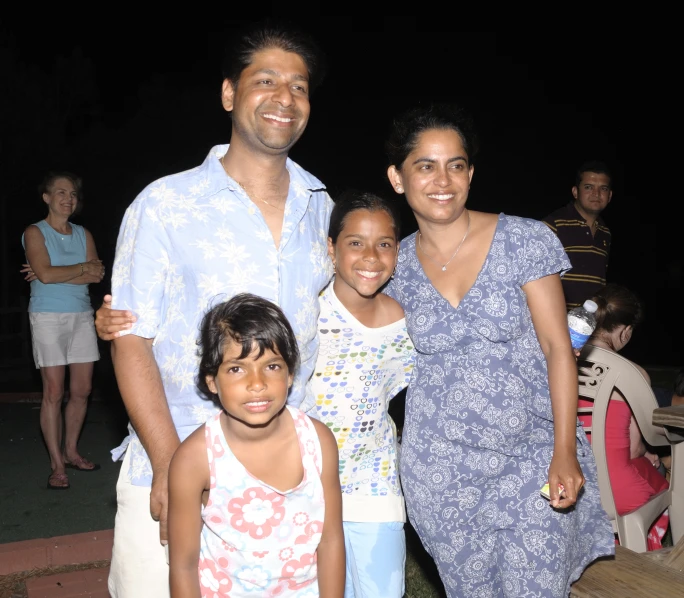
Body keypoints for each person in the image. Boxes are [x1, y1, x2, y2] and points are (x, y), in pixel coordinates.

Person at [100, 21, 335, 597]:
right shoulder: (164, 204)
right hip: (178, 456)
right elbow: (132, 337)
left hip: (286, 477)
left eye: (299, 86)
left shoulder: (323, 207)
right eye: (267, 81)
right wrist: (165, 462)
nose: (285, 98)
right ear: (230, 93)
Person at [383, 103, 615, 597]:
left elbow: (558, 349)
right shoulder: (392, 266)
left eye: (456, 164)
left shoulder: (524, 239)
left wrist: (565, 450)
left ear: (471, 173)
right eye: (425, 165)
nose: (442, 179)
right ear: (398, 178)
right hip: (440, 470)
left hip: (531, 456)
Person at [168, 293, 344, 596]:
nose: (257, 382)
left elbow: (330, 541)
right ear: (212, 381)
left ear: (289, 374)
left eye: (272, 366)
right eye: (237, 368)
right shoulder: (194, 458)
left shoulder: (318, 441)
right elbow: (183, 564)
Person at [312, 190, 414, 597]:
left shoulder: (407, 323)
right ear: (331, 248)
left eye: (384, 244)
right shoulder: (306, 311)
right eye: (355, 242)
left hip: (374, 482)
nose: (371, 256)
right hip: (304, 483)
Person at [20, 170, 105, 490]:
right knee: (54, 392)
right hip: (48, 316)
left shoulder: (84, 234)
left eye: (72, 194)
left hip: (81, 315)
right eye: (61, 193)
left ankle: (71, 452)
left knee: (82, 390)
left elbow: (96, 276)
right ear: (46, 197)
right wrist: (76, 269)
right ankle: (56, 464)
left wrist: (56, 272)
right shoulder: (34, 232)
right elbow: (44, 274)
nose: (68, 199)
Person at [578, 283, 670, 551]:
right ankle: (646, 553)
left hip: (567, 485)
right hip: (616, 491)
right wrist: (650, 452)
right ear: (626, 332)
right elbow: (633, 448)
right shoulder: (633, 374)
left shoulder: (563, 362)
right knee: (660, 475)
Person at [542, 161, 613, 311]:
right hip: (556, 319)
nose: (596, 194)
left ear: (610, 195)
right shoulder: (553, 225)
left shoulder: (605, 232)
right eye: (588, 187)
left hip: (591, 321)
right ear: (575, 192)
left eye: (603, 188)